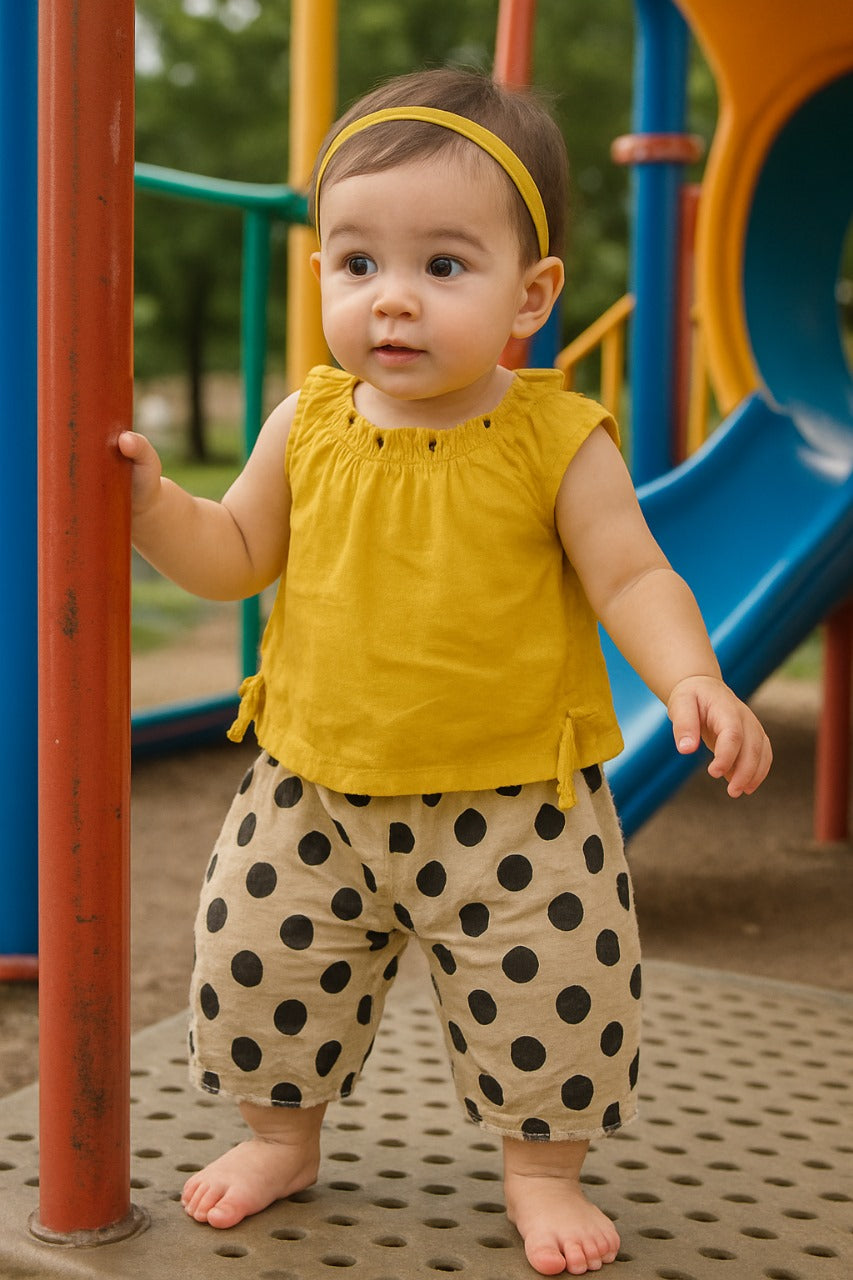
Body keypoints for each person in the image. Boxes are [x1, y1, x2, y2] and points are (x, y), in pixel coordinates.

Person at [119, 68, 771, 1278]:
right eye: (356, 263)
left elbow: (632, 576)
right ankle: (280, 1134)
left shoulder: (553, 438)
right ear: (322, 273)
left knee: (555, 997)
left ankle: (540, 1169)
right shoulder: (303, 424)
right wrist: (158, 509)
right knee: (261, 964)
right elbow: (236, 554)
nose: (393, 302)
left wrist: (694, 674)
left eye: (444, 267)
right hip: (313, 782)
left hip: (515, 797)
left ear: (531, 295)